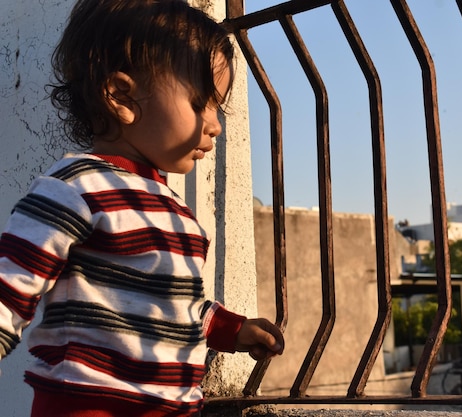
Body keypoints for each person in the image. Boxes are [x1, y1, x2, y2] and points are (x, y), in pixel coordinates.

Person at [0, 0, 284, 415]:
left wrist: (230, 329)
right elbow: (11, 288)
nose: (216, 124)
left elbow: (170, 303)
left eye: (218, 107)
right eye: (201, 102)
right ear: (121, 96)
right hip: (89, 405)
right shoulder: (75, 188)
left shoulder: (174, 209)